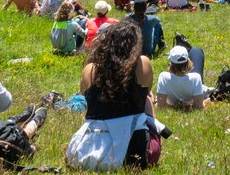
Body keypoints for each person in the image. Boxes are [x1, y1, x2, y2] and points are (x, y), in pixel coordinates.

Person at [65, 20, 166, 170]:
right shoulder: (143, 63)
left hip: (94, 146)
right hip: (136, 151)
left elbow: (84, 93)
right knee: (147, 99)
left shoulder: (90, 70)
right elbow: (148, 89)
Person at [155, 45, 207, 110]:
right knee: (196, 50)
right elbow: (199, 107)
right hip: (193, 92)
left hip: (171, 103)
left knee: (195, 50)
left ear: (171, 63)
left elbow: (161, 105)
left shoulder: (163, 77)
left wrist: (174, 106)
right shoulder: (196, 78)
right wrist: (207, 102)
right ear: (188, 62)